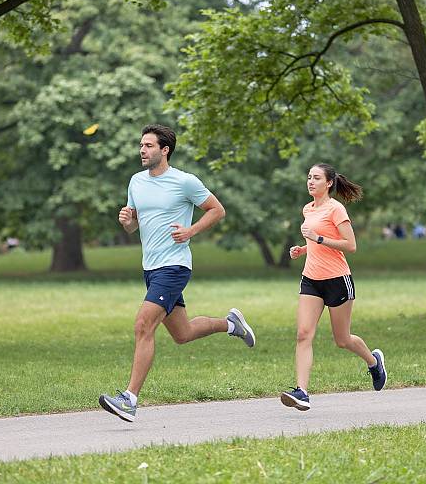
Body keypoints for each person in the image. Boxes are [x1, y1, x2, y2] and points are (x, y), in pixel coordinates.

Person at [99, 124, 255, 422]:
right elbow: (134, 226)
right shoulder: (135, 182)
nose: (142, 150)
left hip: (174, 266)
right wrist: (127, 221)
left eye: (148, 146)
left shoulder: (184, 181)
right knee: (183, 334)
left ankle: (129, 399)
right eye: (141, 145)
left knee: (143, 325)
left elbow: (217, 210)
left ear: (164, 149)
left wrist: (191, 230)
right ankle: (231, 324)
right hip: (151, 266)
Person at [280, 163, 386, 412]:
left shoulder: (336, 209)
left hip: (338, 280)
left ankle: (374, 362)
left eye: (316, 178)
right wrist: (303, 248)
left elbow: (350, 245)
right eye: (309, 177)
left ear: (328, 183)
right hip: (311, 279)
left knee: (342, 339)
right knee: (303, 334)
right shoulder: (308, 208)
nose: (310, 181)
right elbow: (317, 240)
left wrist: (316, 239)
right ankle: (302, 393)